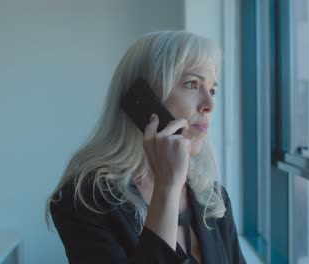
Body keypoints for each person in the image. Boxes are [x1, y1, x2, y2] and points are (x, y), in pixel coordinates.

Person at [45, 31, 246, 264]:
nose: (210, 105)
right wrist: (167, 188)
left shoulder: (212, 197)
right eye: (192, 84)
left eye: (212, 90)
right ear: (141, 97)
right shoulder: (84, 201)